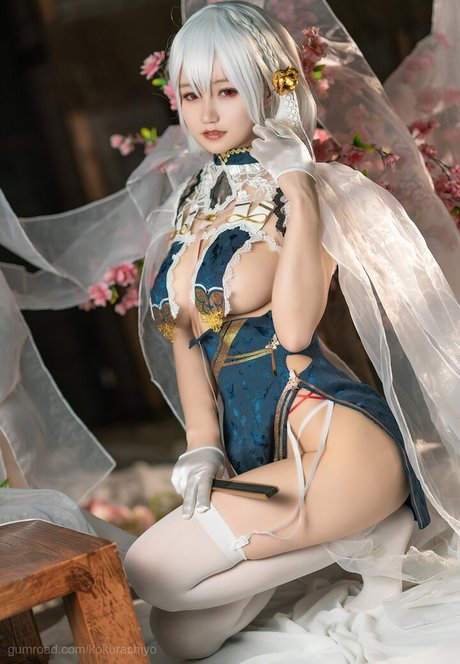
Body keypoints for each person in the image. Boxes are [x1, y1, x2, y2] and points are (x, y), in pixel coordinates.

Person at [123, 2, 460, 659]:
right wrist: (201, 446)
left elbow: (297, 329)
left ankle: (369, 526)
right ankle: (357, 540)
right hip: (264, 459)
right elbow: (186, 336)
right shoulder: (193, 204)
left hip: (335, 441)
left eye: (226, 91)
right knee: (180, 634)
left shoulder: (310, 193)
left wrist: (299, 185)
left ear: (266, 88)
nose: (206, 113)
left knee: (150, 570)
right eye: (190, 95)